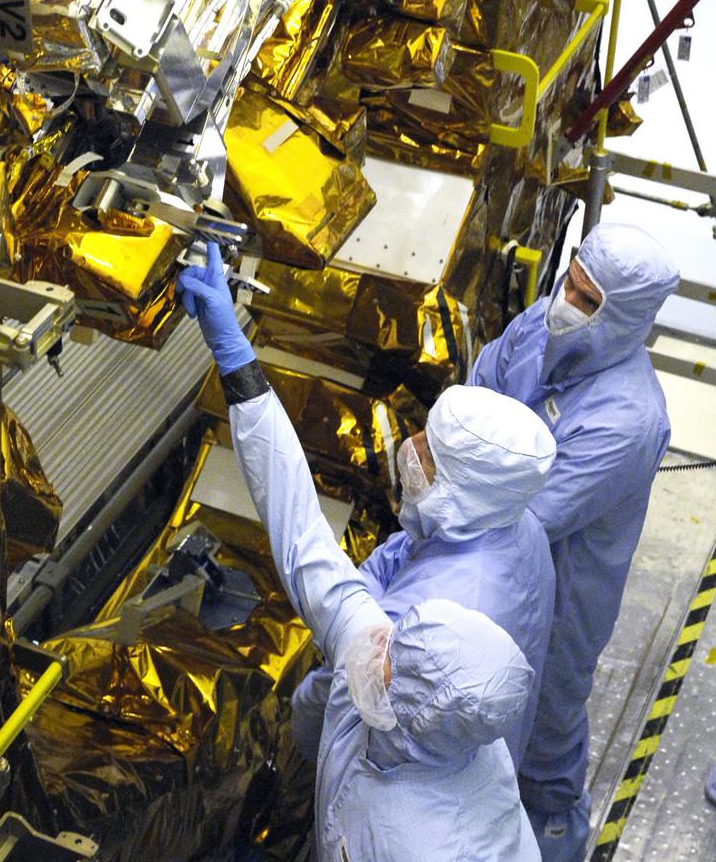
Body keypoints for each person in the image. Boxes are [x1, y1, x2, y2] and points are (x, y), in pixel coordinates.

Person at [177, 244, 543, 862]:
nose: (372, 649)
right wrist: (236, 360)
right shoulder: (400, 664)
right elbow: (302, 536)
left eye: (429, 452)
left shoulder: (423, 842)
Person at [470, 221, 680, 862]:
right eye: (571, 283)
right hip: (492, 561)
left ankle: (558, 842)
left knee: (544, 751)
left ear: (628, 319)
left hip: (559, 611)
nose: (566, 302)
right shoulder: (545, 321)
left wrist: (457, 471)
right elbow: (479, 385)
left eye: (588, 301)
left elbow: (527, 512)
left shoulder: (629, 419)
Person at [290, 370, 557, 776]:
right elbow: (398, 552)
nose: (410, 446)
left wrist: (302, 715)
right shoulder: (511, 522)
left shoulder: (435, 610)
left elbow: (339, 695)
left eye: (430, 453)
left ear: (466, 487)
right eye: (425, 432)